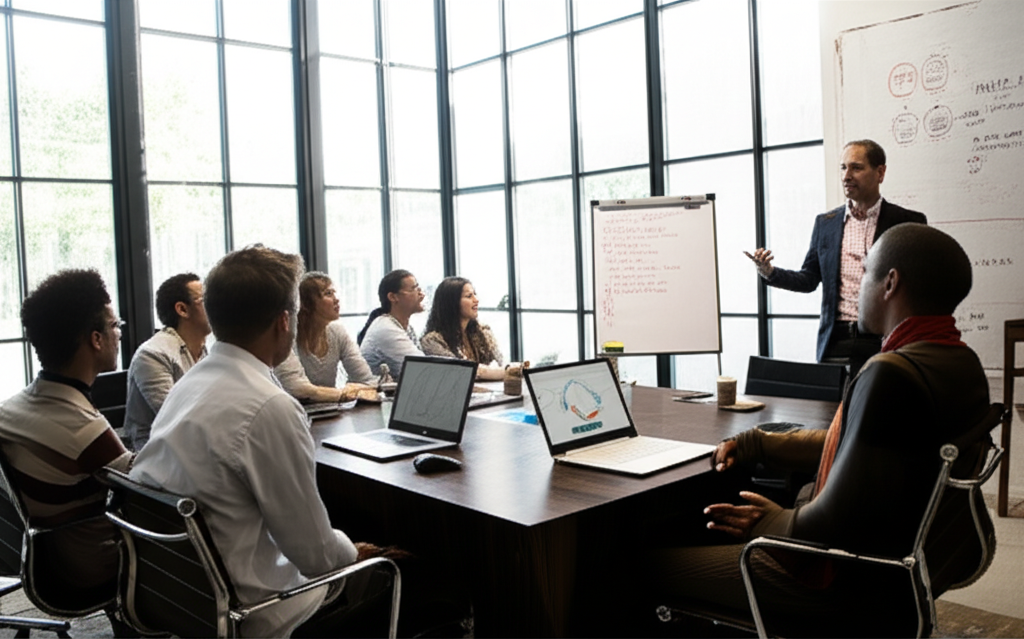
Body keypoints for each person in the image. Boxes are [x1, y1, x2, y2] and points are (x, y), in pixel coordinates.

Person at [645, 224, 990, 636]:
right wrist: (757, 442)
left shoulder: (891, 373)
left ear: (890, 283)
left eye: (864, 275)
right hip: (899, 566)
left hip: (842, 581)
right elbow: (860, 450)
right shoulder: (960, 361)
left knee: (638, 563)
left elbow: (827, 523)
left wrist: (770, 523)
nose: (857, 288)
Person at [130, 246, 391, 637]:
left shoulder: (190, 385)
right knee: (418, 577)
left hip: (185, 595)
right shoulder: (268, 407)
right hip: (260, 612)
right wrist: (359, 550)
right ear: (284, 322)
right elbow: (317, 558)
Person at [0, 269, 131, 596]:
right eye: (115, 325)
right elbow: (147, 491)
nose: (120, 334)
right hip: (94, 566)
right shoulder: (85, 430)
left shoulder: (10, 411)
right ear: (96, 338)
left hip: (45, 557)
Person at [745, 139, 926, 376]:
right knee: (831, 412)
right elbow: (809, 279)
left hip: (886, 340)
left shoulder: (907, 223)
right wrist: (769, 272)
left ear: (880, 172)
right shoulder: (826, 224)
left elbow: (918, 289)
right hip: (836, 341)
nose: (846, 176)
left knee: (880, 411)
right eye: (843, 168)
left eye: (856, 168)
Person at [123, 272, 210, 451]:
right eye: (205, 299)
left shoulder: (206, 351)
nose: (215, 306)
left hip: (194, 447)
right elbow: (177, 417)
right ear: (182, 309)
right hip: (155, 454)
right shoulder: (153, 354)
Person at [274, 272, 377, 404]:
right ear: (304, 304)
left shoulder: (338, 331)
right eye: (328, 294)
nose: (336, 299)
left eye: (334, 293)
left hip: (331, 414)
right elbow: (297, 388)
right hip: (293, 414)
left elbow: (366, 380)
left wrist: (354, 391)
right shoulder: (288, 336)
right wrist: (344, 393)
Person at [421, 276, 505, 380]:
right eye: (469, 296)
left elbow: (499, 363)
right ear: (452, 303)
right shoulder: (432, 340)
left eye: (475, 294)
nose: (476, 300)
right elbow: (462, 371)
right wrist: (505, 371)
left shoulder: (484, 331)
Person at [357, 269, 425, 377]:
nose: (422, 294)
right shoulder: (385, 328)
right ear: (393, 297)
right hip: (369, 393)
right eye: (414, 289)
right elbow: (422, 370)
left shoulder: (406, 328)